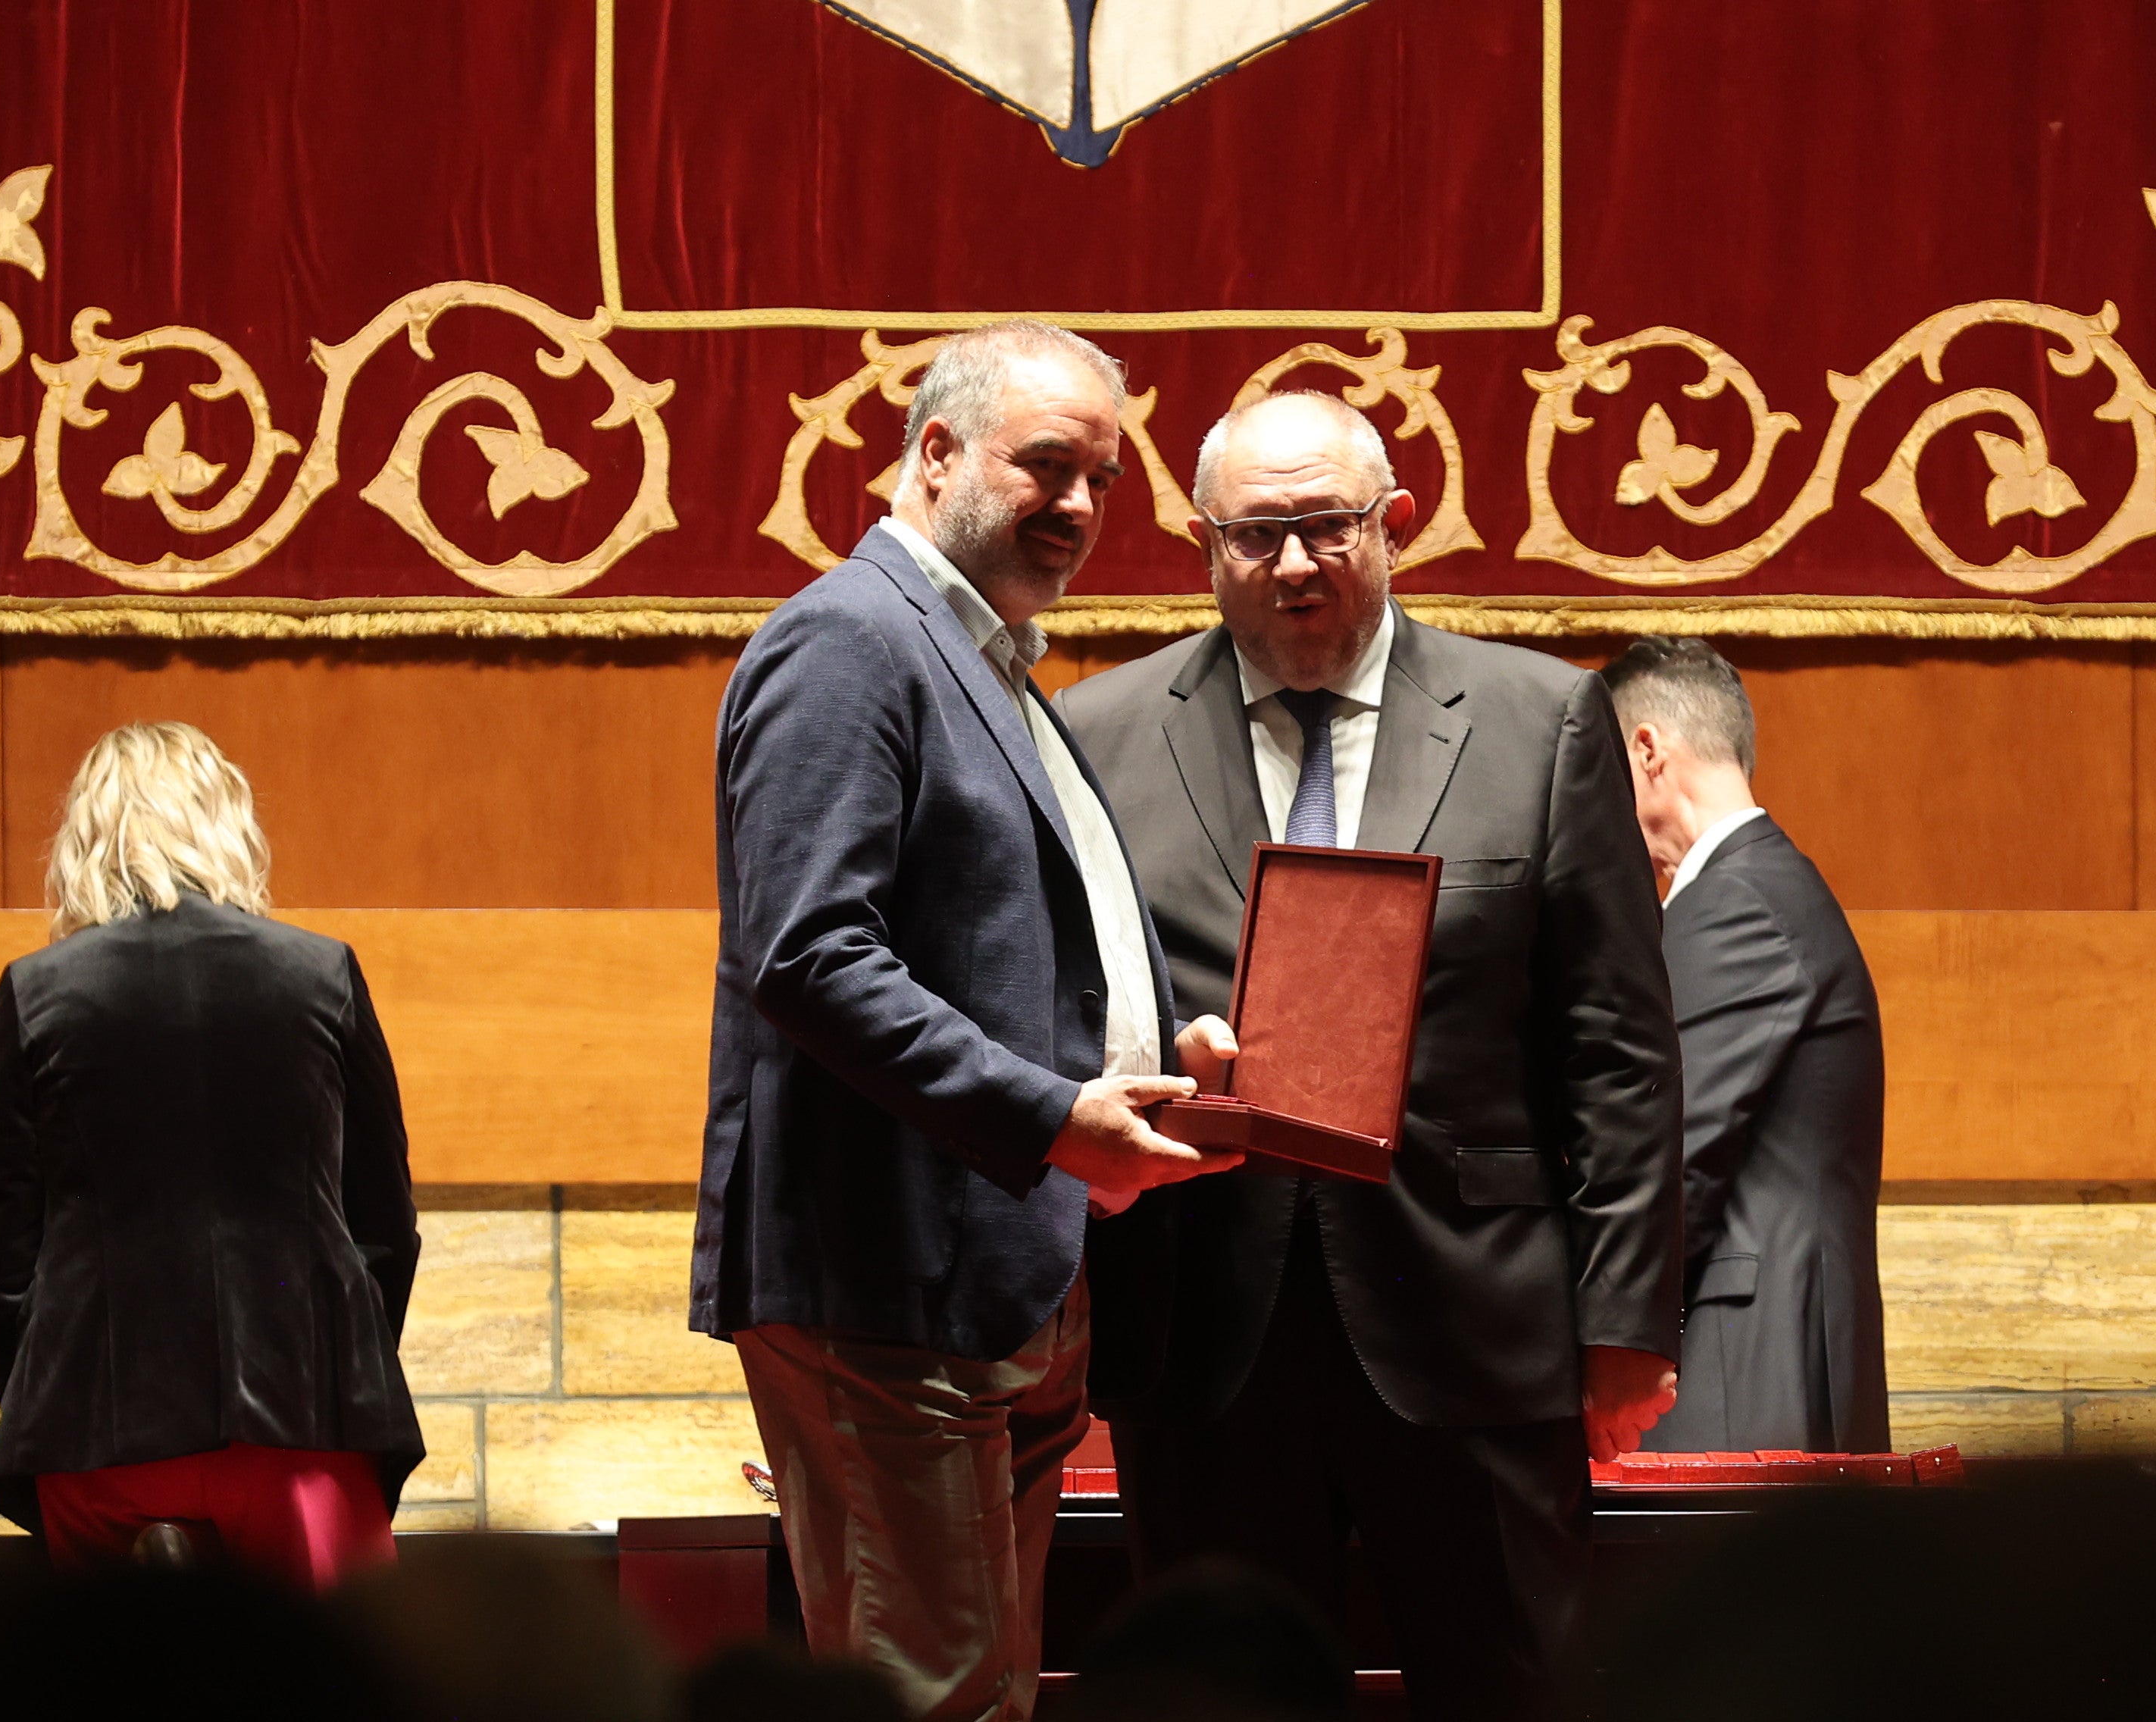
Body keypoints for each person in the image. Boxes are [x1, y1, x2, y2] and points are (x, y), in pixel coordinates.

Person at [1059, 391, 1685, 1720]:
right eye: (1257, 534)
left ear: (1392, 523)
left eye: (1327, 527)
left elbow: (1616, 1045)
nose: (1293, 563)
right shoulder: (1098, 735)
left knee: (1518, 1690)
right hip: (1206, 1332)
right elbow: (1059, 1008)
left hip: (1473, 1324)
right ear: (1201, 543)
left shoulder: (1540, 719)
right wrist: (1149, 1057)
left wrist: (1626, 1319)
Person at [691, 319, 1241, 1722]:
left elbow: (1006, 951)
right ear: (934, 452)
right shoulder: (846, 643)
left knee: (986, 1697)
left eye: (1102, 482)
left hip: (996, 1278)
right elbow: (808, 955)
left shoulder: (983, 659)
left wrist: (1144, 1059)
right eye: (1044, 465)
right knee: (929, 1701)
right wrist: (1055, 1116)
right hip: (889, 1286)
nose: (1075, 506)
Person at [0, 720, 421, 1590]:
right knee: (346, 1688)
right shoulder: (321, 974)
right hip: (300, 1426)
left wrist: (46, 1389)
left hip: (94, 1437)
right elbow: (385, 1228)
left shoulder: (35, 992)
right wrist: (338, 1359)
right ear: (227, 828)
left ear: (83, 841)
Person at [1601, 637, 1887, 1454]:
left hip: (1739, 1368)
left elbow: (1665, 1157)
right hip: (1760, 1357)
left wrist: (1591, 1345)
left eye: (1597, 777)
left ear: (1647, 749)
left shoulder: (1738, 902)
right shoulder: (1759, 887)